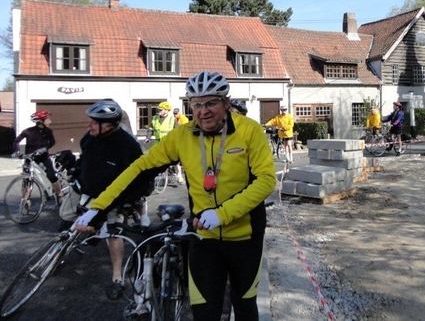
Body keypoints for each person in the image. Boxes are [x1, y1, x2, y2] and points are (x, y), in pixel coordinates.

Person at [75, 71, 276, 321]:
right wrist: (99, 207)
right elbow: (140, 168)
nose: (203, 111)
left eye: (211, 102)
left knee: (245, 306)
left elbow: (266, 180)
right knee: (204, 312)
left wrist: (222, 214)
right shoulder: (182, 136)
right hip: (204, 237)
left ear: (226, 103)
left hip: (246, 236)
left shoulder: (249, 131)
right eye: (196, 104)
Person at [70, 99, 153, 300]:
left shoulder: (127, 145)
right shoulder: (88, 138)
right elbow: (84, 160)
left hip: (114, 198)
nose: (89, 125)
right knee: (67, 218)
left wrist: (127, 200)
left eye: (93, 122)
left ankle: (117, 277)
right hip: (88, 192)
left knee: (113, 232)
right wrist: (76, 171)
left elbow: (139, 179)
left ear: (108, 126)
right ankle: (67, 245)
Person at [12, 110, 62, 202]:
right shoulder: (28, 131)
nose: (50, 121)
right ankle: (25, 201)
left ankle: (59, 195)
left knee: (52, 176)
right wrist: (16, 151)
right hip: (30, 157)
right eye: (48, 119)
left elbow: (52, 142)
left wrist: (44, 148)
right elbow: (17, 141)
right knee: (26, 180)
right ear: (41, 121)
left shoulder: (48, 131)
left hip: (43, 157)